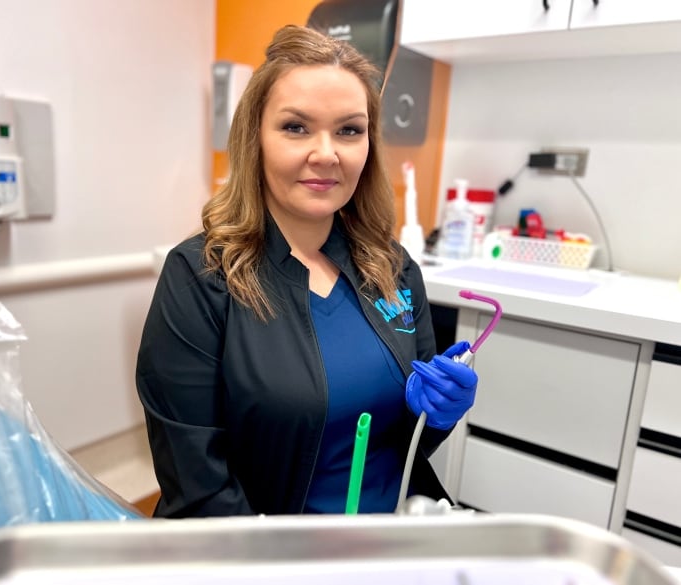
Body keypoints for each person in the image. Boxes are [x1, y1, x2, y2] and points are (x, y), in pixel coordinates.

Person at [135, 24, 478, 518]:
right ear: (256, 137)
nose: (326, 153)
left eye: (349, 130)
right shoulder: (202, 277)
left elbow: (404, 444)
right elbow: (197, 486)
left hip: (390, 539)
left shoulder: (393, 269)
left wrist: (437, 413)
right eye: (296, 127)